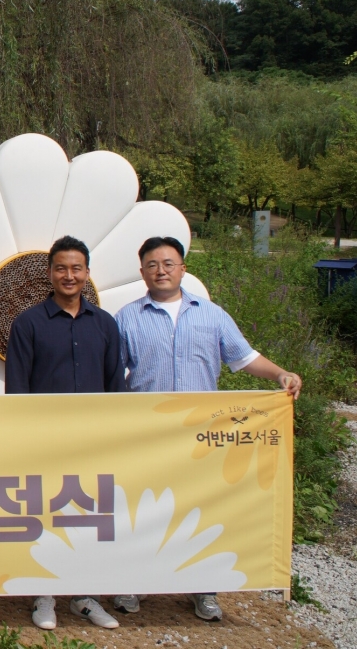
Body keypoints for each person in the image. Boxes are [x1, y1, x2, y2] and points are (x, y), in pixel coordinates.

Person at [111, 235, 302, 622]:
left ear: (183, 268)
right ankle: (134, 581)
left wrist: (280, 374)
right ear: (142, 272)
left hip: (202, 433)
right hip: (148, 432)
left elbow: (244, 358)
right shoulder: (127, 317)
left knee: (201, 508)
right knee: (144, 506)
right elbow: (114, 374)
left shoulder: (212, 315)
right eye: (152, 264)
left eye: (168, 263)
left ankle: (204, 589)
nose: (161, 271)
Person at [5, 235, 123, 632]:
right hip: (45, 443)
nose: (68, 275)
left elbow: (116, 388)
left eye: (76, 268)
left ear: (87, 273)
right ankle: (44, 594)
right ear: (49, 273)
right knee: (46, 517)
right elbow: (17, 389)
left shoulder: (105, 324)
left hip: (93, 443)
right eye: (61, 268)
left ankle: (85, 596)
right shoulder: (28, 323)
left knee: (90, 518)